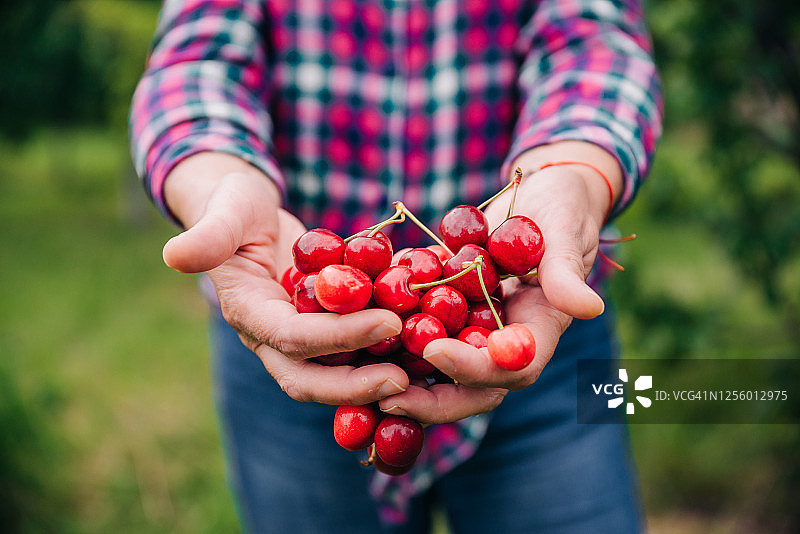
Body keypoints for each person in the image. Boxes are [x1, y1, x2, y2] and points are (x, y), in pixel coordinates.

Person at [130, 0, 662, 532]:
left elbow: (592, 42)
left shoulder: (473, 286)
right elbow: (197, 60)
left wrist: (577, 171)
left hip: (537, 311)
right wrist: (216, 178)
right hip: (295, 340)